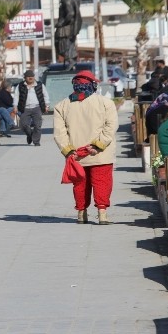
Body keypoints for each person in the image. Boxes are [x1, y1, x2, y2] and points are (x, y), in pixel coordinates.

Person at [53, 70, 118, 225]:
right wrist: (97, 145)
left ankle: (82, 214)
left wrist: (69, 151)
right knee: (102, 183)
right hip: (101, 154)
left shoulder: (61, 106)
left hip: (76, 156)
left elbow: (59, 133)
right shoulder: (106, 103)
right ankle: (102, 214)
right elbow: (111, 127)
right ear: (93, 84)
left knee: (80, 185)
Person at [13, 70, 50, 146]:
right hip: (24, 108)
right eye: (28, 77)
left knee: (37, 125)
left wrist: (47, 105)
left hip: (37, 107)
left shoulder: (40, 85)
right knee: (24, 125)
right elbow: (16, 96)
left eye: (32, 76)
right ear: (25, 78)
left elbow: (45, 95)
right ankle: (30, 135)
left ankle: (36, 141)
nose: (30, 78)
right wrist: (15, 106)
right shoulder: (20, 86)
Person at [54, 0, 82, 66]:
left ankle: (70, 60)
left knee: (61, 43)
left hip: (65, 28)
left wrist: (61, 23)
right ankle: (71, 59)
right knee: (69, 44)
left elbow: (70, 14)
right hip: (72, 27)